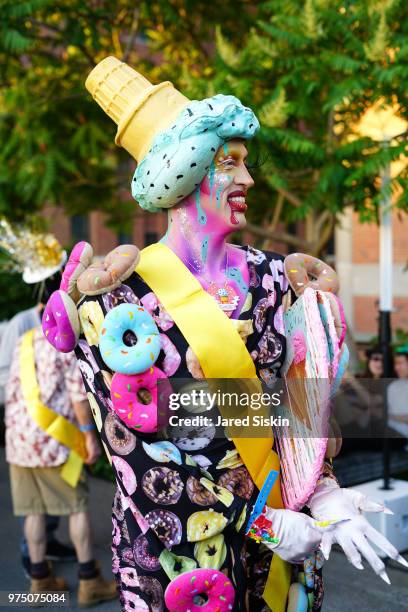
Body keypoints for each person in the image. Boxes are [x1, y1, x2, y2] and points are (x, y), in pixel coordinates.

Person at [44, 57, 408, 611]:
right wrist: (266, 524)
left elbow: (295, 405)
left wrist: (325, 491)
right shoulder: (118, 296)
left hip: (284, 558)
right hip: (182, 562)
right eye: (229, 162)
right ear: (183, 170)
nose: (248, 179)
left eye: (244, 162)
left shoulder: (272, 280)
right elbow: (141, 455)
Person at [1, 226, 117, 606]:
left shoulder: (20, 336)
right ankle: (88, 581)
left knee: (32, 512)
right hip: (56, 441)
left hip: (20, 440)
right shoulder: (61, 338)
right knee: (77, 507)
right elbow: (76, 394)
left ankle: (38, 582)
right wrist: (87, 436)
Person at [387, 346, 408, 444]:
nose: (396, 368)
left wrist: (392, 417)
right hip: (391, 435)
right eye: (395, 364)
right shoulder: (393, 386)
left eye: (400, 363)